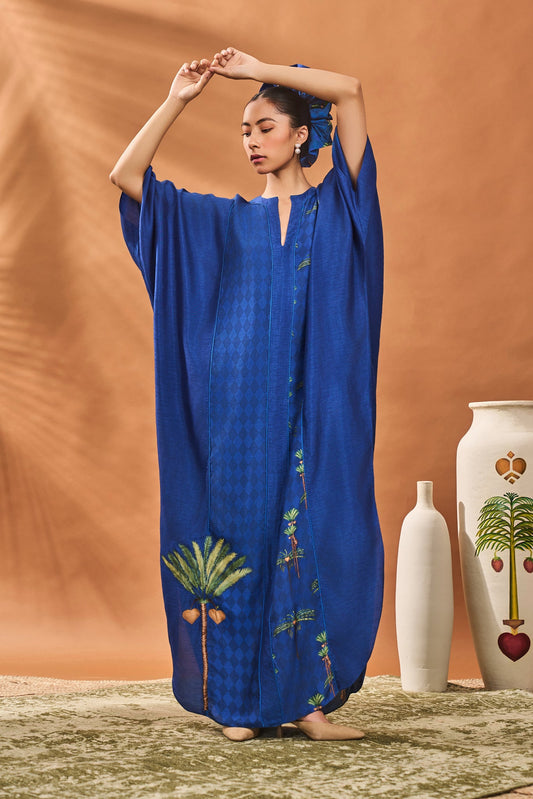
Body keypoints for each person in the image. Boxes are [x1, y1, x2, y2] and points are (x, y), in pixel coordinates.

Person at [110, 47, 384, 742]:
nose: (252, 141)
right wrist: (178, 98)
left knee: (307, 540)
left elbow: (350, 90)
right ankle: (236, 703)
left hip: (317, 415)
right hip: (237, 415)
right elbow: (127, 176)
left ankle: (306, 703)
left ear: (300, 134)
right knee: (236, 544)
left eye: (265, 127)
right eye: (244, 131)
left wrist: (258, 68)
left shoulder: (341, 208)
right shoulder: (220, 222)